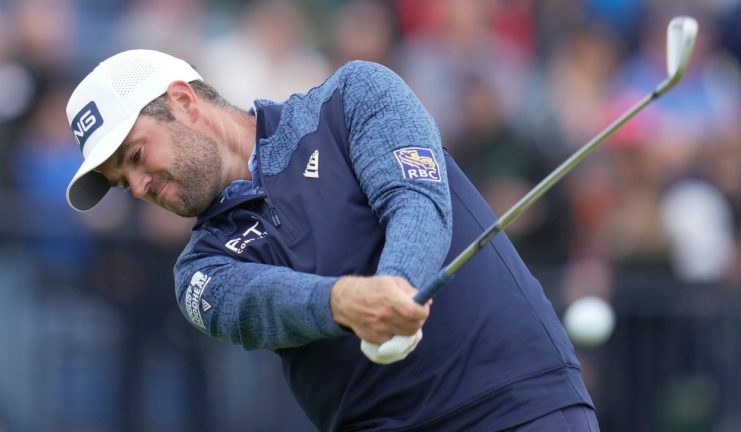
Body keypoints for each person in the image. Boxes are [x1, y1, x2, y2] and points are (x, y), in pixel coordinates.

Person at [64, 49, 599, 431]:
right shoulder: (198, 272)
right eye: (120, 183)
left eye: (135, 157)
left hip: (519, 400)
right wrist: (346, 301)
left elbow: (415, 200)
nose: (137, 187)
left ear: (183, 101)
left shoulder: (350, 97)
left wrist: (399, 285)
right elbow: (267, 304)